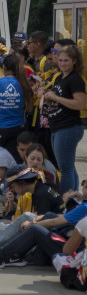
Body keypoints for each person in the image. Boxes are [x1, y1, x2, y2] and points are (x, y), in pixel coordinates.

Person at [39, 45, 85, 193]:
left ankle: (64, 202)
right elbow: (58, 101)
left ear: (75, 62)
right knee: (68, 167)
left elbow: (80, 104)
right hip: (58, 127)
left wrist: (55, 97)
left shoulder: (75, 79)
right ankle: (73, 197)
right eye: (60, 60)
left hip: (68, 127)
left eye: (66, 60)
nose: (62, 63)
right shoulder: (60, 77)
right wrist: (46, 96)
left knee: (65, 169)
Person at [0, 54, 32, 160]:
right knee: (16, 161)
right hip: (18, 128)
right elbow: (29, 108)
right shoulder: (24, 84)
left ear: (4, 67)